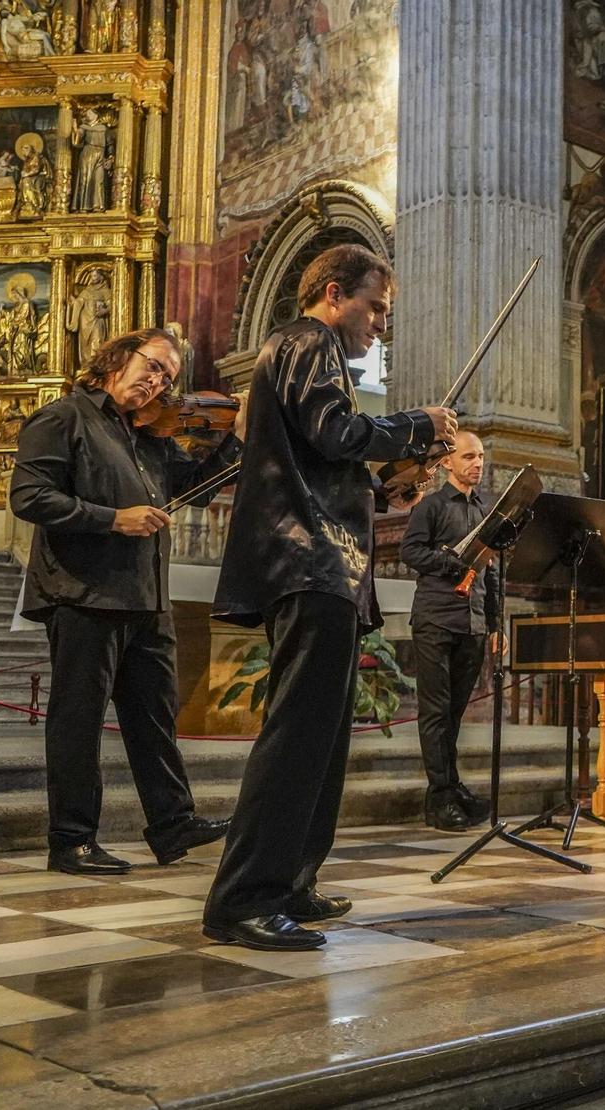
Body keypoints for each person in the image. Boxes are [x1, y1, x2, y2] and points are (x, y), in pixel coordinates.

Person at [203, 245, 456, 952]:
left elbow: (330, 462)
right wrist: (418, 425)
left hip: (327, 561)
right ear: (335, 293)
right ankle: (243, 898)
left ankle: (288, 881)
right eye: (375, 308)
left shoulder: (311, 353)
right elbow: (340, 433)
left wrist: (393, 482)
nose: (380, 324)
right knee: (296, 737)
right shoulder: (307, 341)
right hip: (307, 559)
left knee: (323, 739)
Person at [9, 327, 246, 876]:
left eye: (168, 376)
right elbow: (29, 497)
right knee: (78, 720)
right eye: (154, 366)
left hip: (144, 598)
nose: (160, 381)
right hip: (83, 593)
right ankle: (71, 839)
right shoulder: (63, 418)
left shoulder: (152, 439)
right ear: (118, 358)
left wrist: (237, 436)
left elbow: (203, 488)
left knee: (153, 718)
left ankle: (172, 823)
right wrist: (114, 518)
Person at [399, 430, 501, 831]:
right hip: (436, 619)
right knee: (436, 712)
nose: (477, 463)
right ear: (447, 463)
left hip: (473, 623)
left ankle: (448, 789)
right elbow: (411, 551)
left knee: (455, 714)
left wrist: (495, 624)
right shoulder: (433, 506)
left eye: (481, 457)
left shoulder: (487, 510)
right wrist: (454, 562)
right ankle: (441, 795)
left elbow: (491, 574)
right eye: (469, 456)